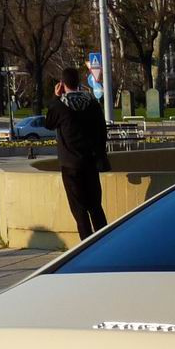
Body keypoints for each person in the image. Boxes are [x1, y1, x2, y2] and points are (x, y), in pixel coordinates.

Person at [46, 64, 110, 240]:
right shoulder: (93, 104)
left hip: (70, 164)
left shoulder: (60, 106)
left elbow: (49, 123)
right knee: (95, 206)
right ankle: (104, 241)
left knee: (79, 208)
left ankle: (86, 243)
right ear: (79, 83)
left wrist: (55, 97)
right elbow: (102, 131)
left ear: (63, 84)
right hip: (91, 162)